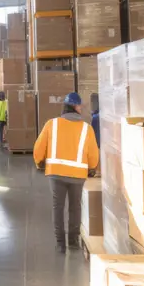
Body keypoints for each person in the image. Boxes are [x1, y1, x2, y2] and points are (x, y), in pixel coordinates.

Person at [33, 91, 99, 254]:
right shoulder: (86, 128)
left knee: (58, 206)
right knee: (75, 207)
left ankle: (60, 243)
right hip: (78, 175)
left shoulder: (52, 124)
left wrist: (39, 162)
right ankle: (74, 241)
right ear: (76, 107)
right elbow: (93, 155)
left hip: (56, 173)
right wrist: (92, 167)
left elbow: (38, 147)